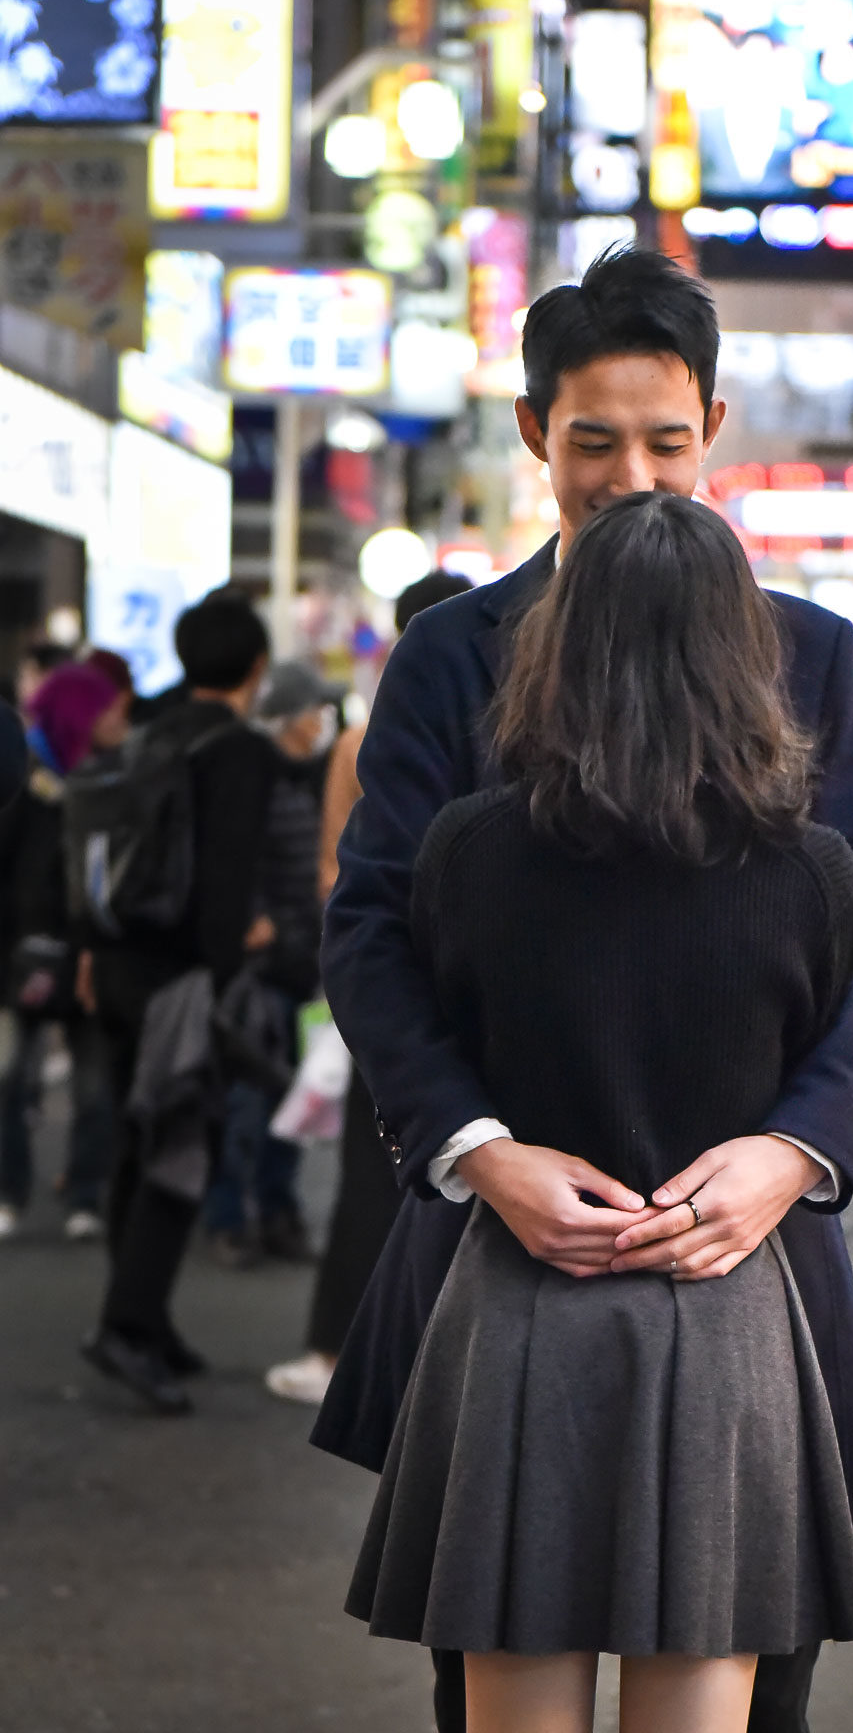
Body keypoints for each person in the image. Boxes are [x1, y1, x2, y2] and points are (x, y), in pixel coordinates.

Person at [315, 246, 853, 1733]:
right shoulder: (451, 657)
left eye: (665, 439)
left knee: (749, 1686)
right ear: (535, 434)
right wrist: (480, 1152)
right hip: (498, 1235)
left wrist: (793, 1154)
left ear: (712, 424)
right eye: (593, 442)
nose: (632, 476)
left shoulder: (811, 658)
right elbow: (371, 932)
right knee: (495, 1665)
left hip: (755, 1248)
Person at [267, 572, 471, 1407]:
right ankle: (435, 1356)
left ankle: (332, 1354)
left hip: (388, 980)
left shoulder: (363, 738)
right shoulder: (495, 719)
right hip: (476, 982)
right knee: (471, 1170)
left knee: (371, 1167)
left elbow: (331, 871)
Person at [80, 592, 277, 1414]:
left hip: (118, 963)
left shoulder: (152, 730)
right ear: (255, 670)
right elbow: (225, 887)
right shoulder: (239, 752)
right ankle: (127, 1328)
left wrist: (89, 949)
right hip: (183, 980)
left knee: (138, 1138)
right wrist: (240, 954)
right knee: (178, 1149)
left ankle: (146, 1317)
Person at [203, 658, 341, 1268]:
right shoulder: (253, 778)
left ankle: (279, 1213)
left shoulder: (317, 777)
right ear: (291, 717)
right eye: (316, 712)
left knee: (295, 1102)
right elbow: (232, 862)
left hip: (305, 965)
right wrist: (254, 919)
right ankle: (230, 1219)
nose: (323, 724)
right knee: (244, 1104)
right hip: (257, 971)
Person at [0, 663, 131, 1241]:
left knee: (94, 1085)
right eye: (107, 708)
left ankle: (85, 1192)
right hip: (20, 954)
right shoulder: (18, 779)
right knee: (11, 1080)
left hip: (88, 952)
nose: (120, 717)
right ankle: (9, 1191)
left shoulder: (117, 777)